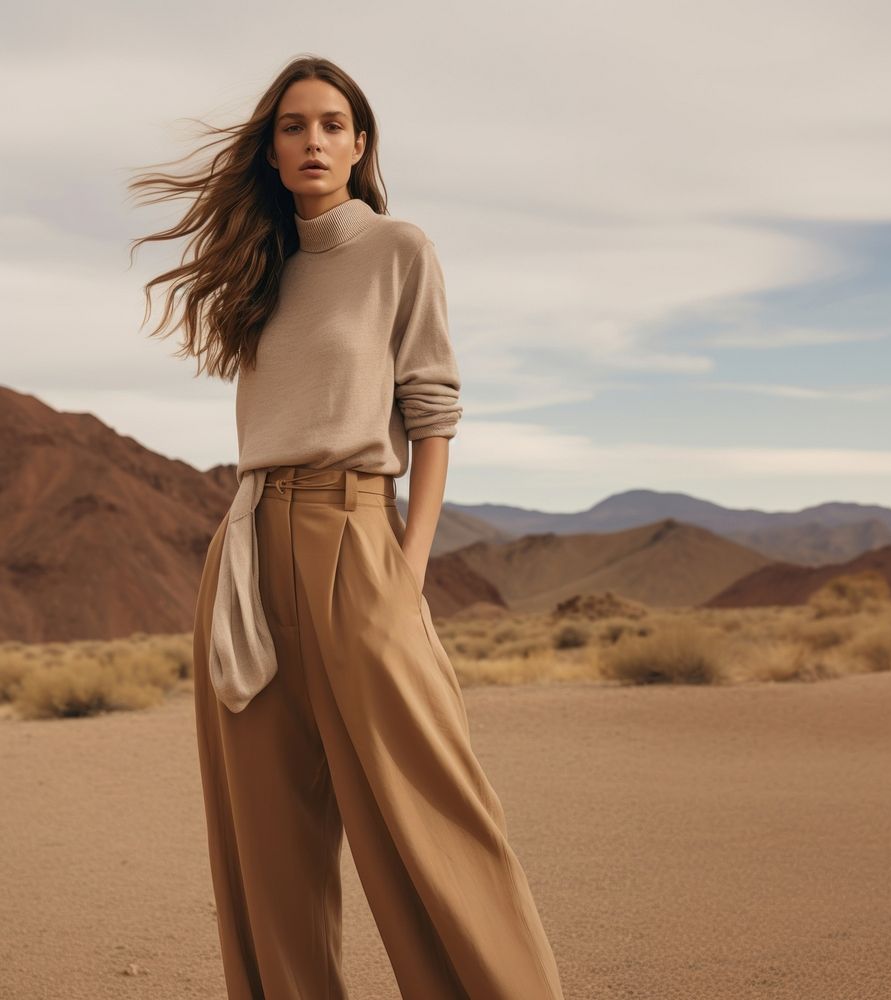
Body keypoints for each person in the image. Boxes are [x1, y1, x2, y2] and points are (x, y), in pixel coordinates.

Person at [128, 54, 565, 1000]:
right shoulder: (261, 268)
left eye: (332, 124)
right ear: (272, 150)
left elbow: (435, 414)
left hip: (355, 537)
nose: (313, 140)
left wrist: (406, 575)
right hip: (246, 554)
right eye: (293, 126)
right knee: (266, 844)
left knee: (430, 813)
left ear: (360, 144)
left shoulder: (398, 250)